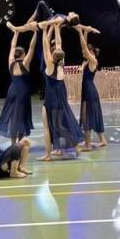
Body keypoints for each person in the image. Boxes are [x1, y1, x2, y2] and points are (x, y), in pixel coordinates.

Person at [40, 22, 84, 160]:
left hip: (51, 99)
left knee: (48, 127)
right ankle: (75, 145)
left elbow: (45, 46)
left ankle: (48, 154)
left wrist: (45, 30)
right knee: (59, 124)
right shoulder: (61, 63)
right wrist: (56, 28)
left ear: (53, 56)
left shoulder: (50, 65)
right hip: (59, 97)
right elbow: (59, 44)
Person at [0, 28, 38, 142]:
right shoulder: (25, 63)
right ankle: (20, 142)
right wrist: (35, 32)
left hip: (12, 91)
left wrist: (16, 33)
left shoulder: (11, 62)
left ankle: (14, 143)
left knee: (14, 117)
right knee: (21, 116)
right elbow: (32, 47)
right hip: (22, 92)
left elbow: (12, 46)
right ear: (23, 54)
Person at [76, 26, 106, 149]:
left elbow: (84, 47)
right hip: (87, 90)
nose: (83, 54)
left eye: (85, 53)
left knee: (86, 117)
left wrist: (80, 32)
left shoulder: (93, 61)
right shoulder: (87, 61)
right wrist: (85, 32)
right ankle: (103, 140)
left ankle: (88, 144)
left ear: (91, 52)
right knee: (91, 115)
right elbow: (83, 47)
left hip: (89, 91)